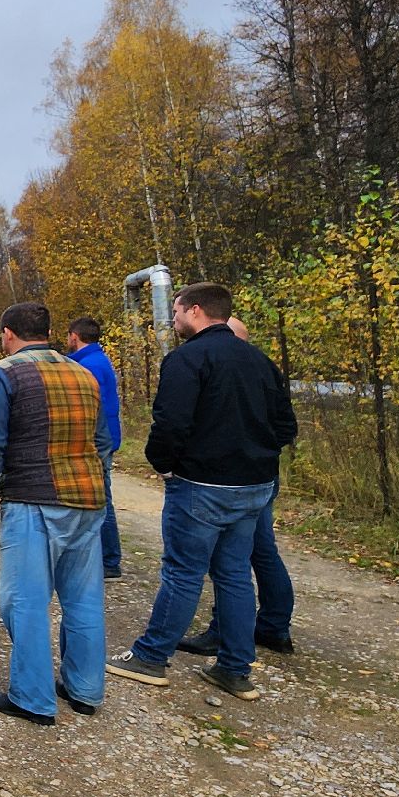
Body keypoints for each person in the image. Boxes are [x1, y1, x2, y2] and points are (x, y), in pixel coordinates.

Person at [108, 284, 297, 702]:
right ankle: (234, 668)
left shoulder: (186, 359)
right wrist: (255, 455)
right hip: (253, 488)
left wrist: (165, 463)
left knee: (183, 571)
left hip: (202, 486)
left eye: (175, 311)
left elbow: (170, 423)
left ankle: (151, 657)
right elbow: (286, 427)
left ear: (195, 311)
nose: (172, 319)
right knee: (233, 575)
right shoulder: (261, 362)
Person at [0, 302, 112, 726]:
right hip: (89, 499)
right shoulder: (84, 374)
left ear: (8, 333)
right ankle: (85, 689)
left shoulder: (3, 372)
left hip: (35, 499)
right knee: (83, 598)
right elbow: (101, 440)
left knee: (23, 600)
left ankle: (32, 696)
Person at [177, 315, 296, 657]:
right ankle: (271, 626)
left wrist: (249, 450)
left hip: (238, 478)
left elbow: (284, 426)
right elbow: (286, 426)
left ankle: (234, 630)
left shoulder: (234, 369)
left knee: (234, 559)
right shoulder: (262, 368)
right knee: (259, 551)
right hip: (258, 475)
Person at [65, 317, 125, 580]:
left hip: (96, 442)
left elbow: (89, 410)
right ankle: (99, 557)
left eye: (68, 337)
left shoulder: (86, 366)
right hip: (104, 439)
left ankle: (109, 560)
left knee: (101, 499)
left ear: (74, 336)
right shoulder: (99, 360)